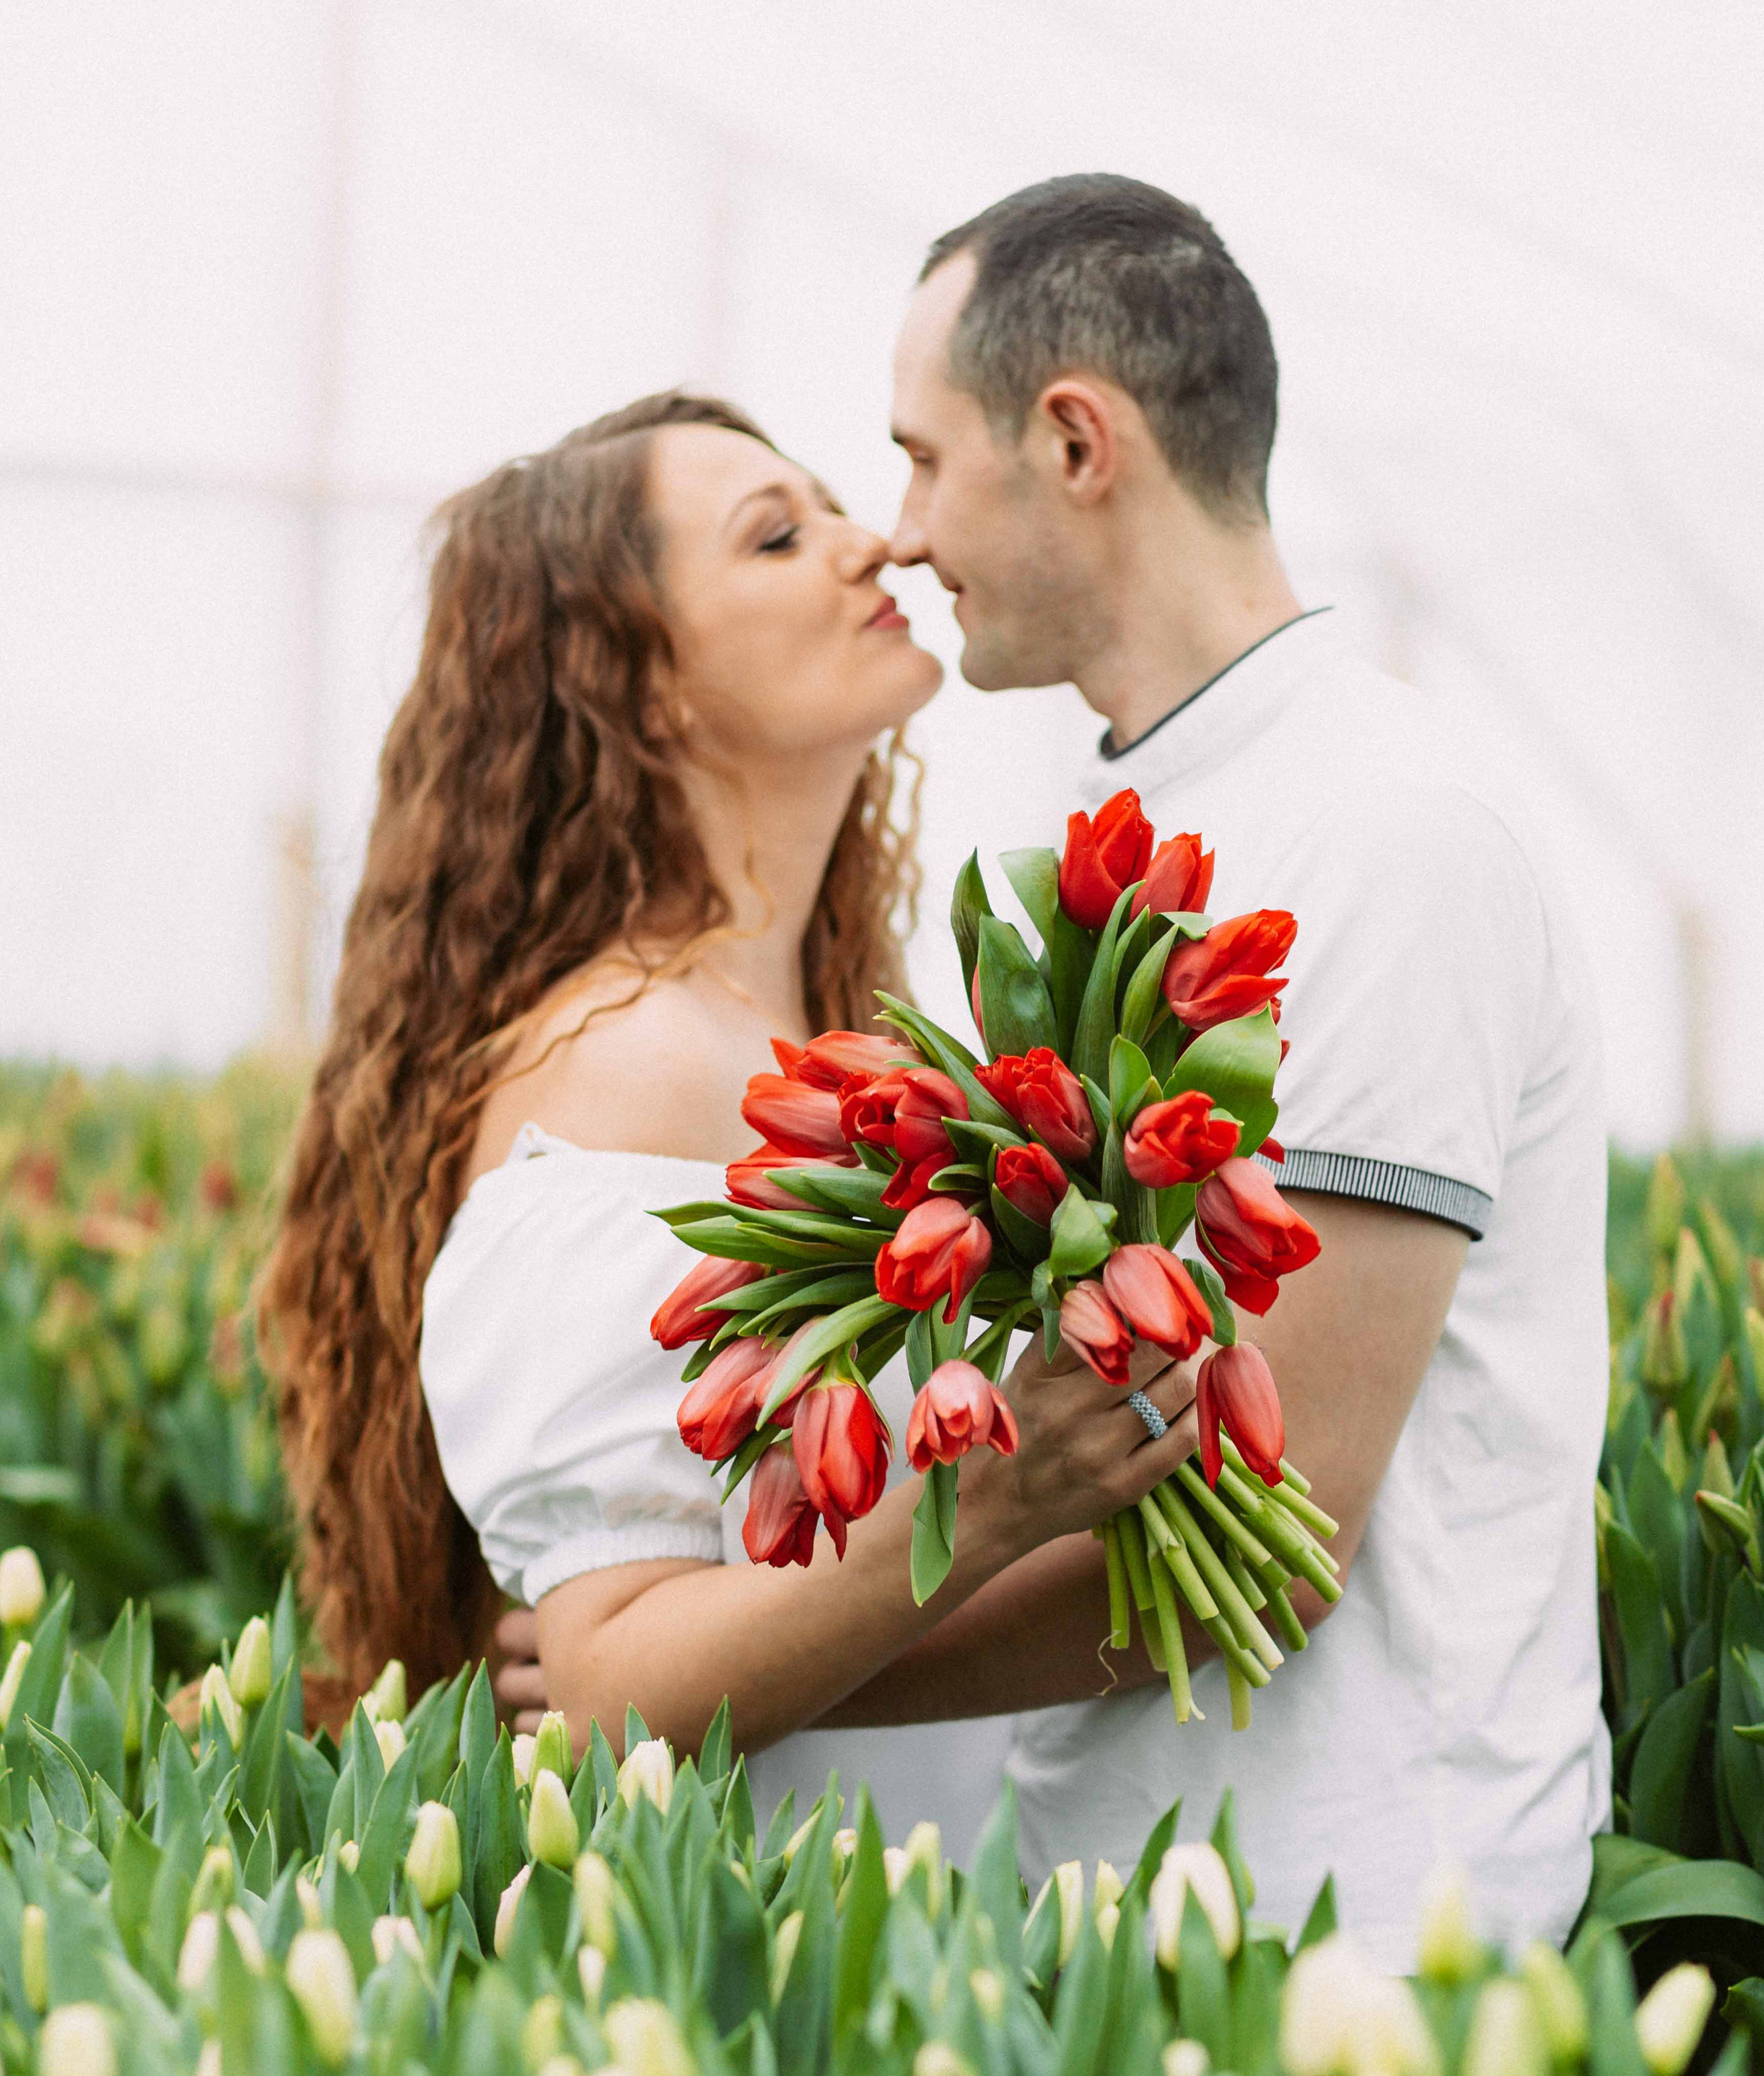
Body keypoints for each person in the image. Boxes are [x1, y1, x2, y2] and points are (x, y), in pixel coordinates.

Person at [258, 391, 1202, 1850]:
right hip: (756, 1974)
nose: (874, 546)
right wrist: (994, 1502)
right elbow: (613, 1686)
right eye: (778, 538)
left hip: (919, 1936)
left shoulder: (829, 1039)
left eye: (834, 507)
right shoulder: (625, 1064)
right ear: (636, 685)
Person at [847, 173, 1610, 1963]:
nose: (893, 532)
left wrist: (756, 1663)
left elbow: (1264, 1543)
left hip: (1356, 1932)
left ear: (1071, 441)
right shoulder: (1133, 809)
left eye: (919, 459)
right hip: (1142, 1904)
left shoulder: (1378, 831)